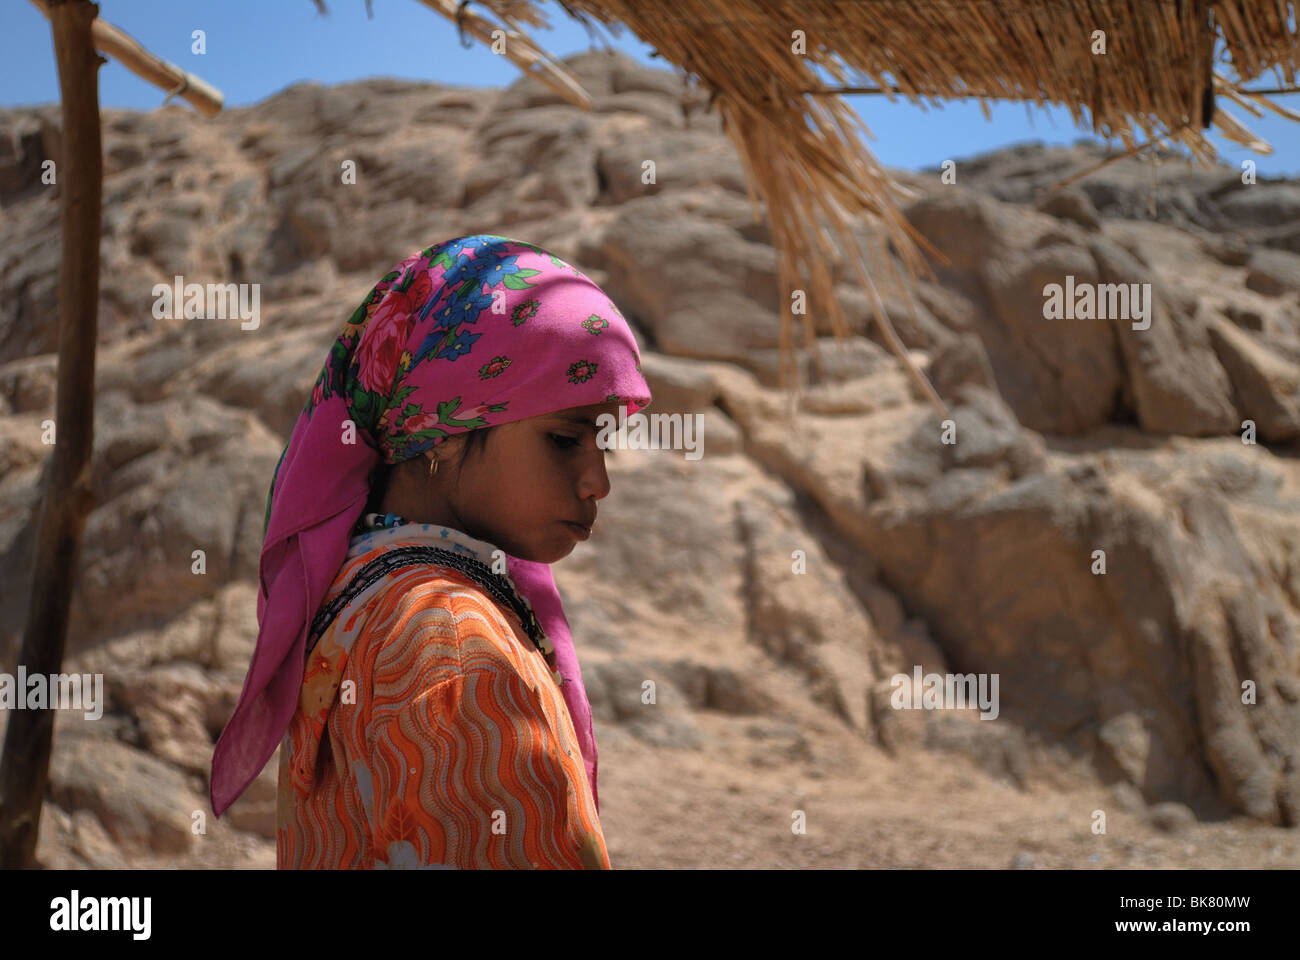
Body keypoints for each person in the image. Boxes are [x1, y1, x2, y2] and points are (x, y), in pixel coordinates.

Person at [208, 235, 652, 868]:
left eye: (602, 446)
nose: (597, 483)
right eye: (563, 440)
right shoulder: (448, 633)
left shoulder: (365, 591)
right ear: (442, 433)